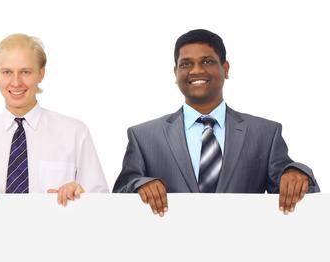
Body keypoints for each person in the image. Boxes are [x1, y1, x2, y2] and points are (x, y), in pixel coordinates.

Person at [114, 29, 317, 216]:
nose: (196, 70)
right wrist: (140, 184)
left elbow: (290, 187)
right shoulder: (144, 136)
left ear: (225, 68)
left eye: (207, 61)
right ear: (175, 73)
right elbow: (119, 194)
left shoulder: (264, 134)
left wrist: (296, 173)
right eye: (186, 64)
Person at [0, 34, 108, 207]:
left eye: (25, 72)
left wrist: (80, 193)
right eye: (7, 72)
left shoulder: (75, 133)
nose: (16, 82)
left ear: (41, 73)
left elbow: (101, 202)